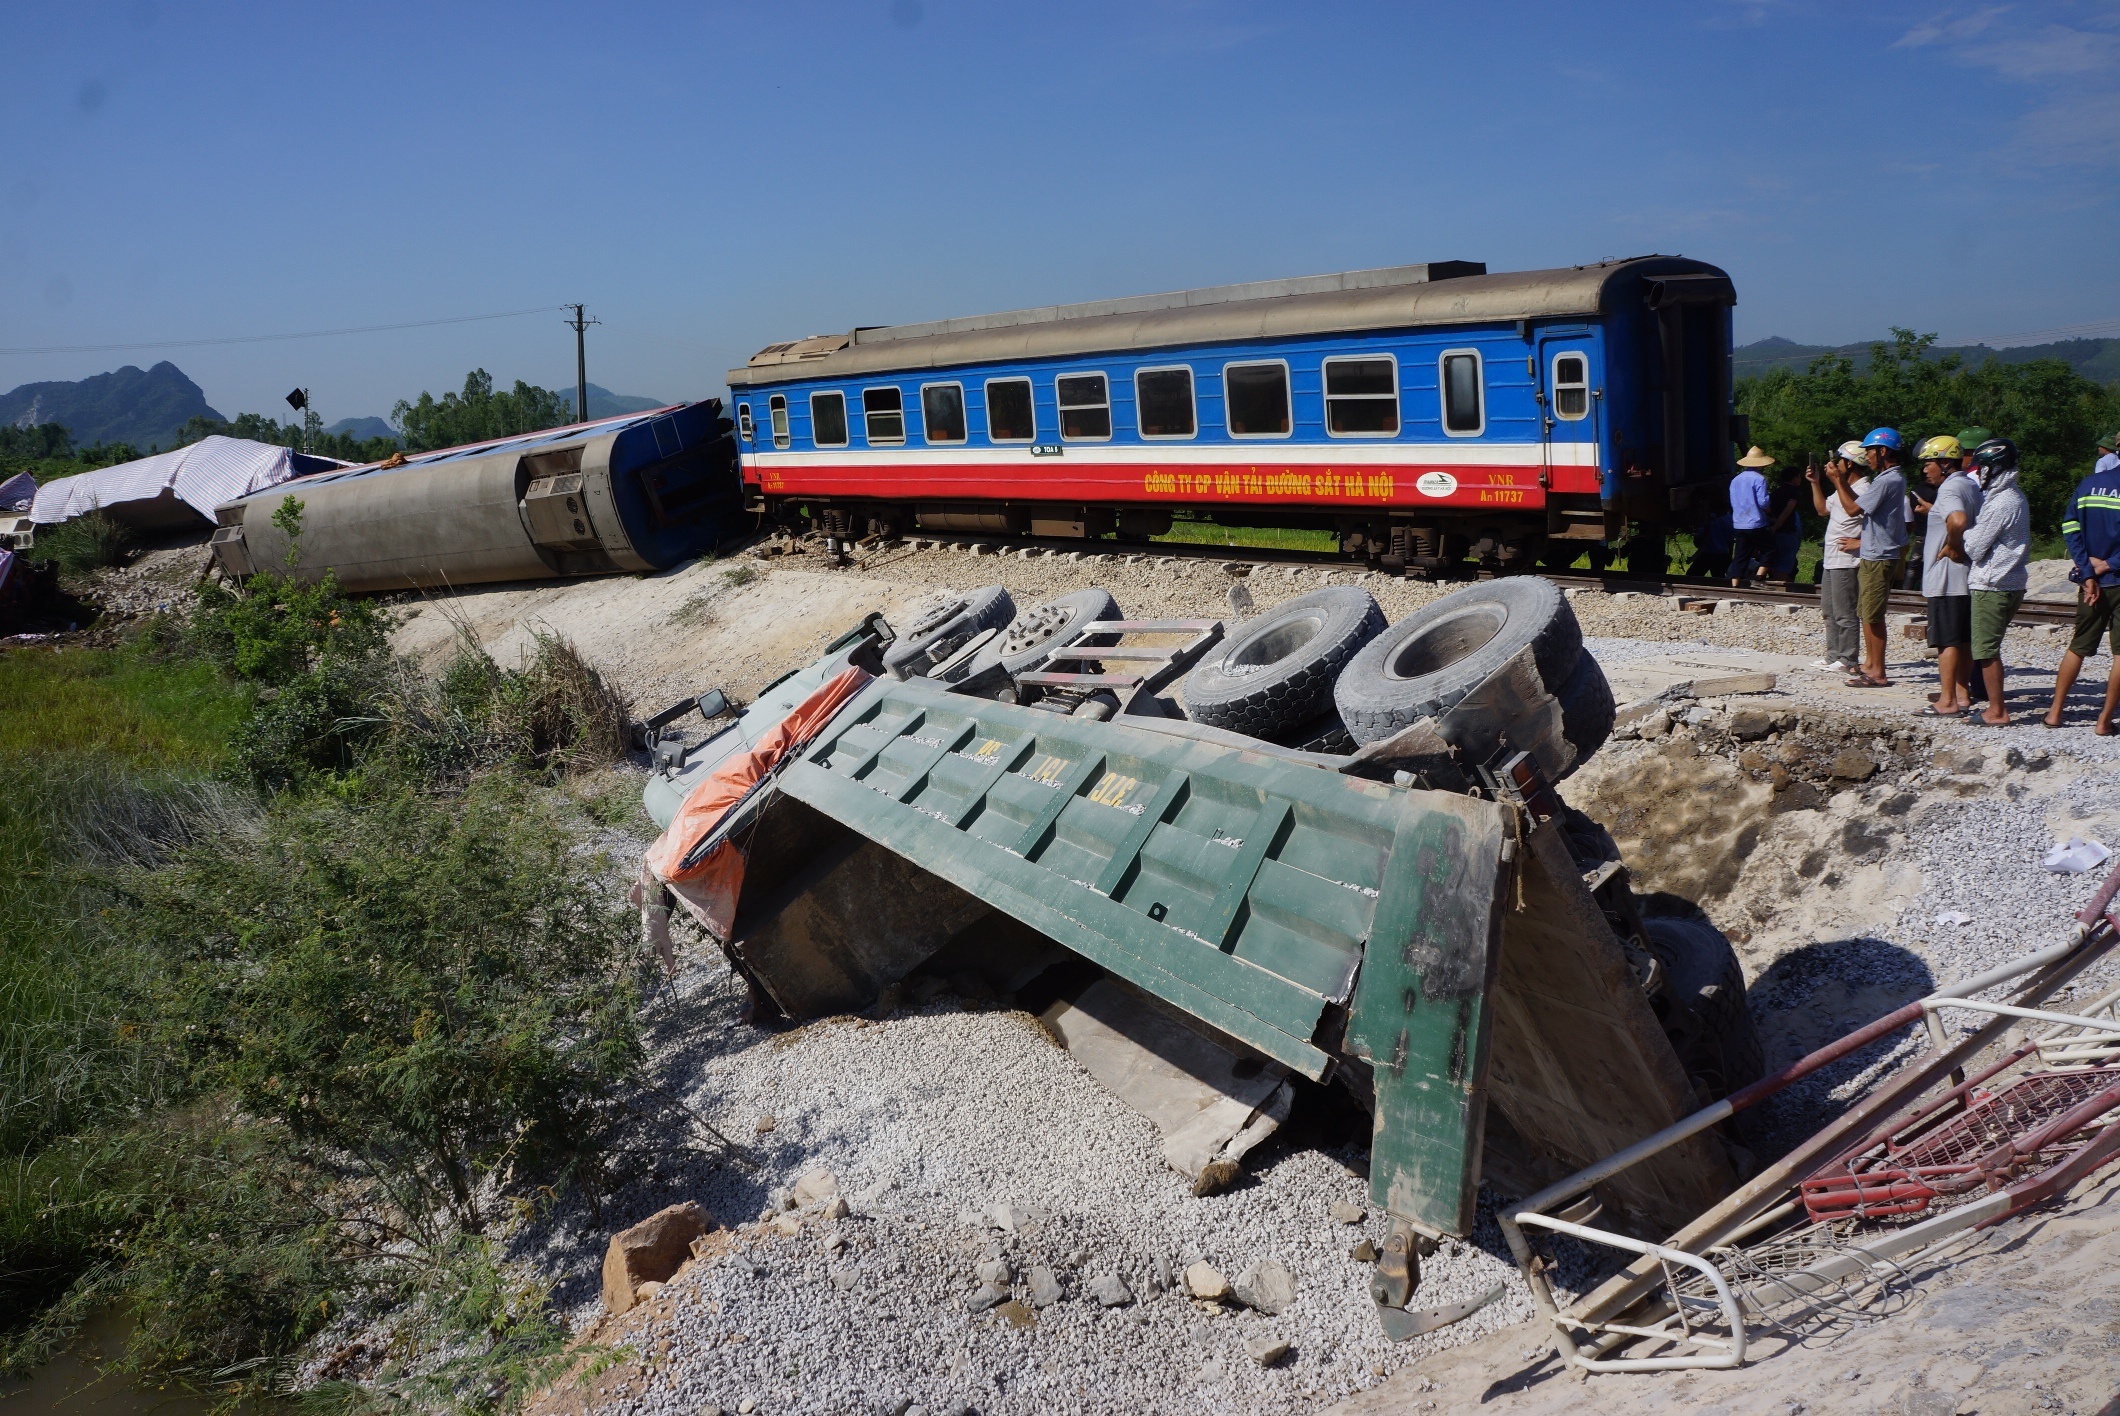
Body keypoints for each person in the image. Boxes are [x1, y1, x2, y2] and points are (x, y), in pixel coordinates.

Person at [2043, 439, 2120, 734]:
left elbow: (2070, 526)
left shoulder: (2089, 484)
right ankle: (2104, 721)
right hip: (2116, 578)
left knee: (2078, 646)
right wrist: (2109, 565)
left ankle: (2054, 713)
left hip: (2091, 583)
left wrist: (2088, 571)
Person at [1827, 427, 1909, 686]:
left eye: (1870, 452)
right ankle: (1872, 664)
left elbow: (1851, 509)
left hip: (1878, 554)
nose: (1868, 458)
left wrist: (1838, 481)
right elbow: (1860, 505)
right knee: (1867, 613)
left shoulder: (1886, 480)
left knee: (1873, 616)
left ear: (1882, 451)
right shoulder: (1890, 479)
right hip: (1875, 553)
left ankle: (1877, 671)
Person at [1954, 438, 2028, 726]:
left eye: (1982, 467)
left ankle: (1997, 710)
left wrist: (1967, 533)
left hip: (1992, 583)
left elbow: (1974, 546)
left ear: (1994, 468)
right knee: (1990, 647)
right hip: (2010, 582)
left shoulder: (2001, 502)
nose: (1979, 472)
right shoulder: (2015, 495)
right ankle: (1996, 707)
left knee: (1985, 650)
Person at [1914, 435, 1979, 715]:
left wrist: (1952, 545)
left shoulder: (1950, 488)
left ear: (1945, 463)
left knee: (1946, 640)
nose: (1924, 469)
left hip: (1946, 577)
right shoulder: (1969, 485)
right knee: (1964, 640)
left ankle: (1947, 700)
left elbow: (1958, 520)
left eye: (1928, 463)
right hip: (1966, 576)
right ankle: (1962, 695)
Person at [1809, 440, 1870, 672]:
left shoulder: (1864, 488)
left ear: (1850, 463)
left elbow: (1855, 509)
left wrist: (1837, 480)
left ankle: (1847, 659)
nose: (1834, 465)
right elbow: (1822, 509)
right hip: (1832, 559)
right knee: (1829, 611)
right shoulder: (1840, 489)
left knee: (1845, 613)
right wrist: (1815, 483)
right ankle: (1833, 655)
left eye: (1840, 461)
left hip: (1847, 560)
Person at [1728, 446, 1774, 586]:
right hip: (1756, 523)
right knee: (1770, 549)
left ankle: (1734, 585)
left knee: (1741, 555)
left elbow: (1732, 501)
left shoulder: (1735, 480)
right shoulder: (1759, 479)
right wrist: (1770, 513)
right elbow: (1763, 502)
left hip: (1739, 522)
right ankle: (1759, 579)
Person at [1766, 467, 1806, 589]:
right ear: (1794, 479)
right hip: (1787, 532)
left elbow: (1767, 509)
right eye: (1799, 477)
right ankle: (1791, 590)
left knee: (1775, 564)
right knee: (1784, 566)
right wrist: (1778, 524)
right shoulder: (1793, 492)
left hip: (1774, 532)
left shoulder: (1775, 493)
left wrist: (1773, 522)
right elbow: (1787, 511)